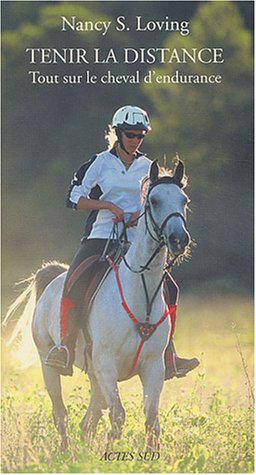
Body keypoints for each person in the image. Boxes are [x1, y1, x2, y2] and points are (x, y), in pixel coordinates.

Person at [45, 105, 199, 378]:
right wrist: (108, 206)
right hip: (100, 237)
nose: (135, 140)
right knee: (74, 281)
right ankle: (65, 348)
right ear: (117, 133)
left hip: (136, 241)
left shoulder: (147, 167)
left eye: (140, 135)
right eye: (130, 134)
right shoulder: (99, 163)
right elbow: (73, 198)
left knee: (171, 289)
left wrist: (138, 215)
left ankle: (168, 354)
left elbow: (157, 203)